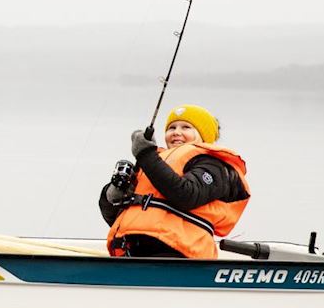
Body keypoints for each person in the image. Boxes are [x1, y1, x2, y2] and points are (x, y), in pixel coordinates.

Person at [98, 104, 249, 259]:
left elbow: (187, 195)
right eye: (172, 128)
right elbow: (116, 216)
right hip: (134, 253)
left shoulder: (212, 165)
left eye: (186, 127)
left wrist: (145, 154)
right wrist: (112, 195)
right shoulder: (154, 163)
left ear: (204, 135)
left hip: (179, 256)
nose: (177, 132)